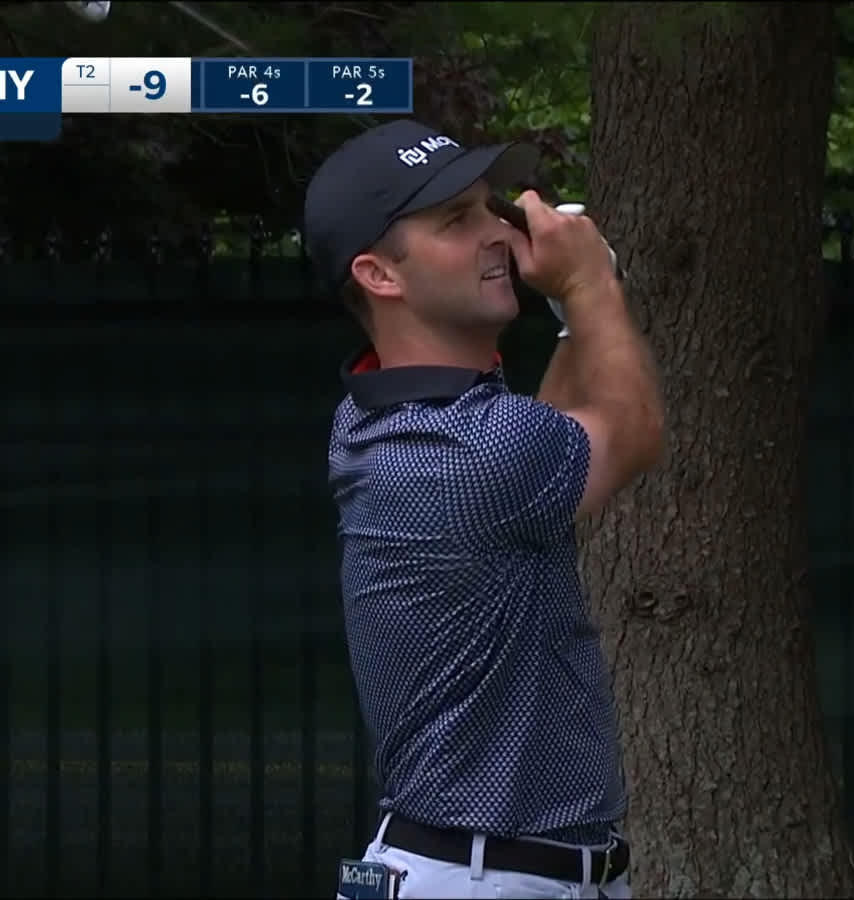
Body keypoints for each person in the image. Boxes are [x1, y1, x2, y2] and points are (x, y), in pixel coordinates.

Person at [306, 119, 665, 900]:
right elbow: (630, 434)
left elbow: (548, 450)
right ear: (380, 274)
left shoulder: (378, 420)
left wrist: (577, 317)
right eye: (455, 221)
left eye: (489, 208)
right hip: (488, 876)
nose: (496, 233)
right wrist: (590, 285)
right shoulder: (474, 449)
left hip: (476, 869)